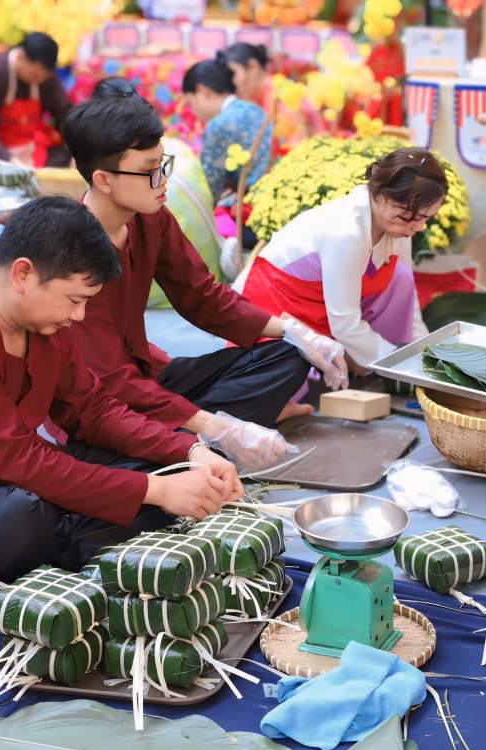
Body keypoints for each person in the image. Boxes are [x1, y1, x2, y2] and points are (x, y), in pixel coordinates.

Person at [0, 197, 242, 590]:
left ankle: (85, 533)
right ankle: (82, 539)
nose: (78, 316)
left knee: (179, 471)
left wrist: (188, 450)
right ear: (23, 274)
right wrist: (157, 491)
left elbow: (92, 409)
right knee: (20, 522)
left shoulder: (43, 322)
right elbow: (20, 462)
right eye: (74, 300)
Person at [59, 95, 347, 468]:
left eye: (162, 164)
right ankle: (208, 437)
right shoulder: (71, 252)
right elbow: (111, 382)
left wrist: (293, 331)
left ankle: (202, 436)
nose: (163, 180)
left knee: (287, 353)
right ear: (103, 180)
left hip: (151, 373)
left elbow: (201, 295)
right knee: (147, 463)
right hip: (104, 400)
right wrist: (216, 425)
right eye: (150, 170)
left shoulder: (152, 218)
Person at [233, 147, 440, 369]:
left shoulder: (401, 226)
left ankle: (369, 363)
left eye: (425, 218)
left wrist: (424, 355)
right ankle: (368, 364)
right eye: (407, 216)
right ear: (379, 194)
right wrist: (402, 364)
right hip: (275, 306)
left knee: (401, 277)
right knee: (287, 376)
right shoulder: (346, 232)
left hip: (326, 312)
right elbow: (345, 323)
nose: (417, 226)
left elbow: (410, 305)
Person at [0, 32, 73, 189]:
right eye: (35, 74)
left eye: (43, 77)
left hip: (30, 145)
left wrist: (78, 147)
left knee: (68, 155)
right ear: (20, 57)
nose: (39, 81)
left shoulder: (45, 77)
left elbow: (64, 113)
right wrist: (8, 159)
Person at [183, 58, 272, 201]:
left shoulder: (219, 124)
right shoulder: (254, 109)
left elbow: (210, 188)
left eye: (190, 102)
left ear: (203, 92)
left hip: (250, 203)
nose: (193, 111)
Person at [219, 42, 270, 108]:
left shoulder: (280, 99)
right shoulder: (255, 101)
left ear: (252, 67)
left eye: (233, 74)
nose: (231, 82)